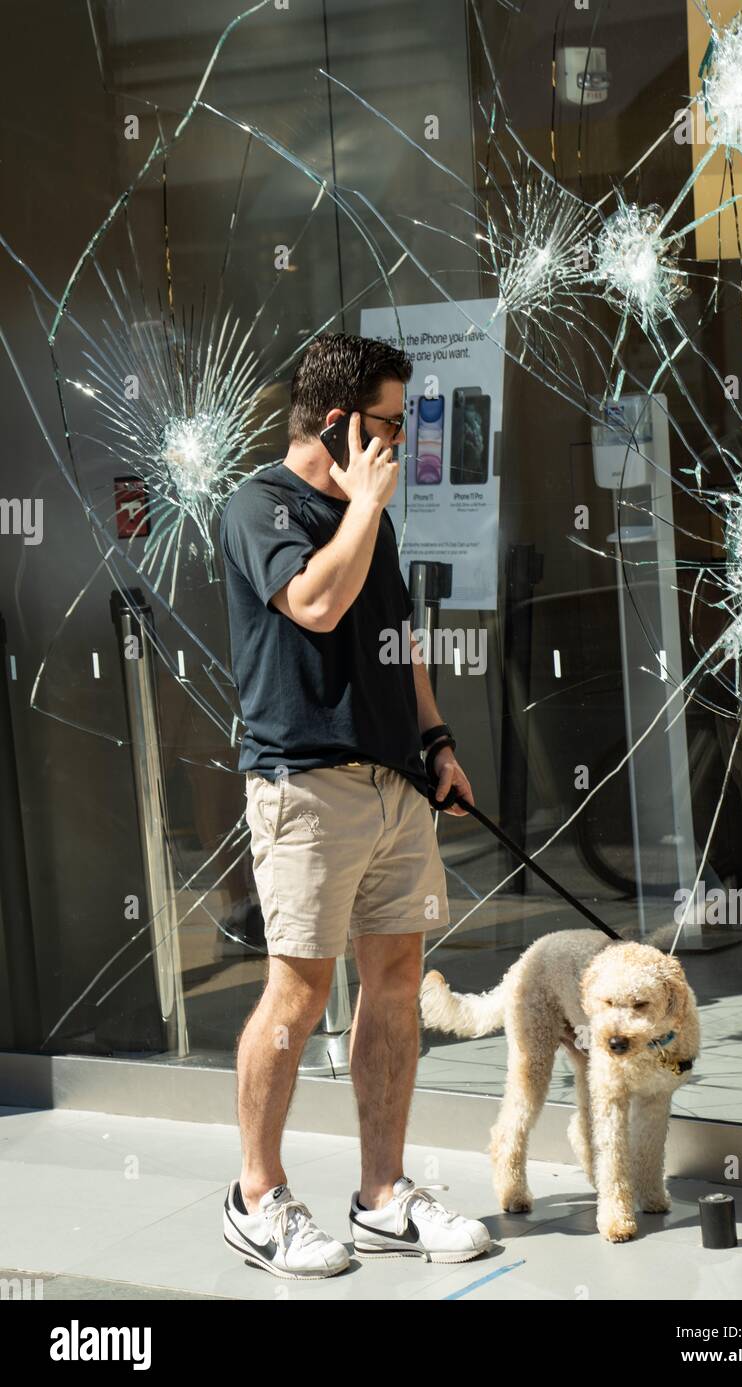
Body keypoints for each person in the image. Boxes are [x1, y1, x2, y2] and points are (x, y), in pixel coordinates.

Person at [218, 331, 492, 1277]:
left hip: (393, 786)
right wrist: (365, 508)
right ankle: (256, 1195)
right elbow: (317, 606)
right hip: (304, 786)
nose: (401, 438)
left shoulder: (368, 515)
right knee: (295, 991)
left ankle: (382, 1194)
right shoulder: (258, 505)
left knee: (398, 977)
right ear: (336, 423)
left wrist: (436, 741)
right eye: (387, 420)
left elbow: (392, 635)